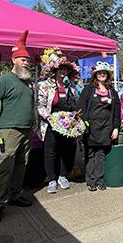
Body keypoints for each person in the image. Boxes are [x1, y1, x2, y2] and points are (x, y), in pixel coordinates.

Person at [0, 30, 34, 225]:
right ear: (13, 60)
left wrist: (34, 125)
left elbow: (31, 106)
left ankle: (15, 195)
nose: (26, 63)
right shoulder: (4, 81)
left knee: (21, 165)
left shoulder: (27, 82)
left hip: (26, 130)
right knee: (5, 167)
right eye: (22, 59)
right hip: (8, 131)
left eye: (27, 60)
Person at [37, 48, 81, 194]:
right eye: (60, 68)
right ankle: (51, 179)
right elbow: (40, 105)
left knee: (66, 150)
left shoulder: (71, 86)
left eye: (65, 69)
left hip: (67, 125)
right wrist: (50, 118)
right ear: (54, 70)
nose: (63, 71)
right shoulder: (44, 85)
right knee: (51, 152)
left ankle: (62, 175)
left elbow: (75, 104)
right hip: (51, 124)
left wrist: (75, 118)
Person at [77, 61, 121, 191]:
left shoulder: (112, 91)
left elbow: (117, 111)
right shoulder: (88, 89)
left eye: (104, 73)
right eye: (99, 73)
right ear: (95, 75)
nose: (102, 75)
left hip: (105, 128)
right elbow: (80, 108)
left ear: (107, 75)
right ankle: (90, 180)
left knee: (101, 155)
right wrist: (80, 127)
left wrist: (116, 127)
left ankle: (99, 180)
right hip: (90, 129)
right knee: (90, 155)